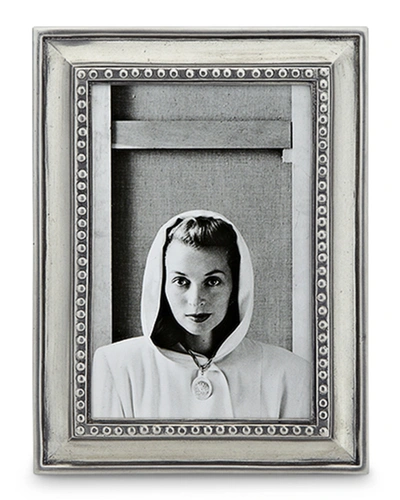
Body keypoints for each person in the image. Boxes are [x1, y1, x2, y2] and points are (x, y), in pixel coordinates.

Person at [91, 210, 311, 419]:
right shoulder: (117, 367)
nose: (196, 299)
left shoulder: (289, 373)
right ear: (161, 285)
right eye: (181, 281)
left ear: (235, 286)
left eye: (213, 281)